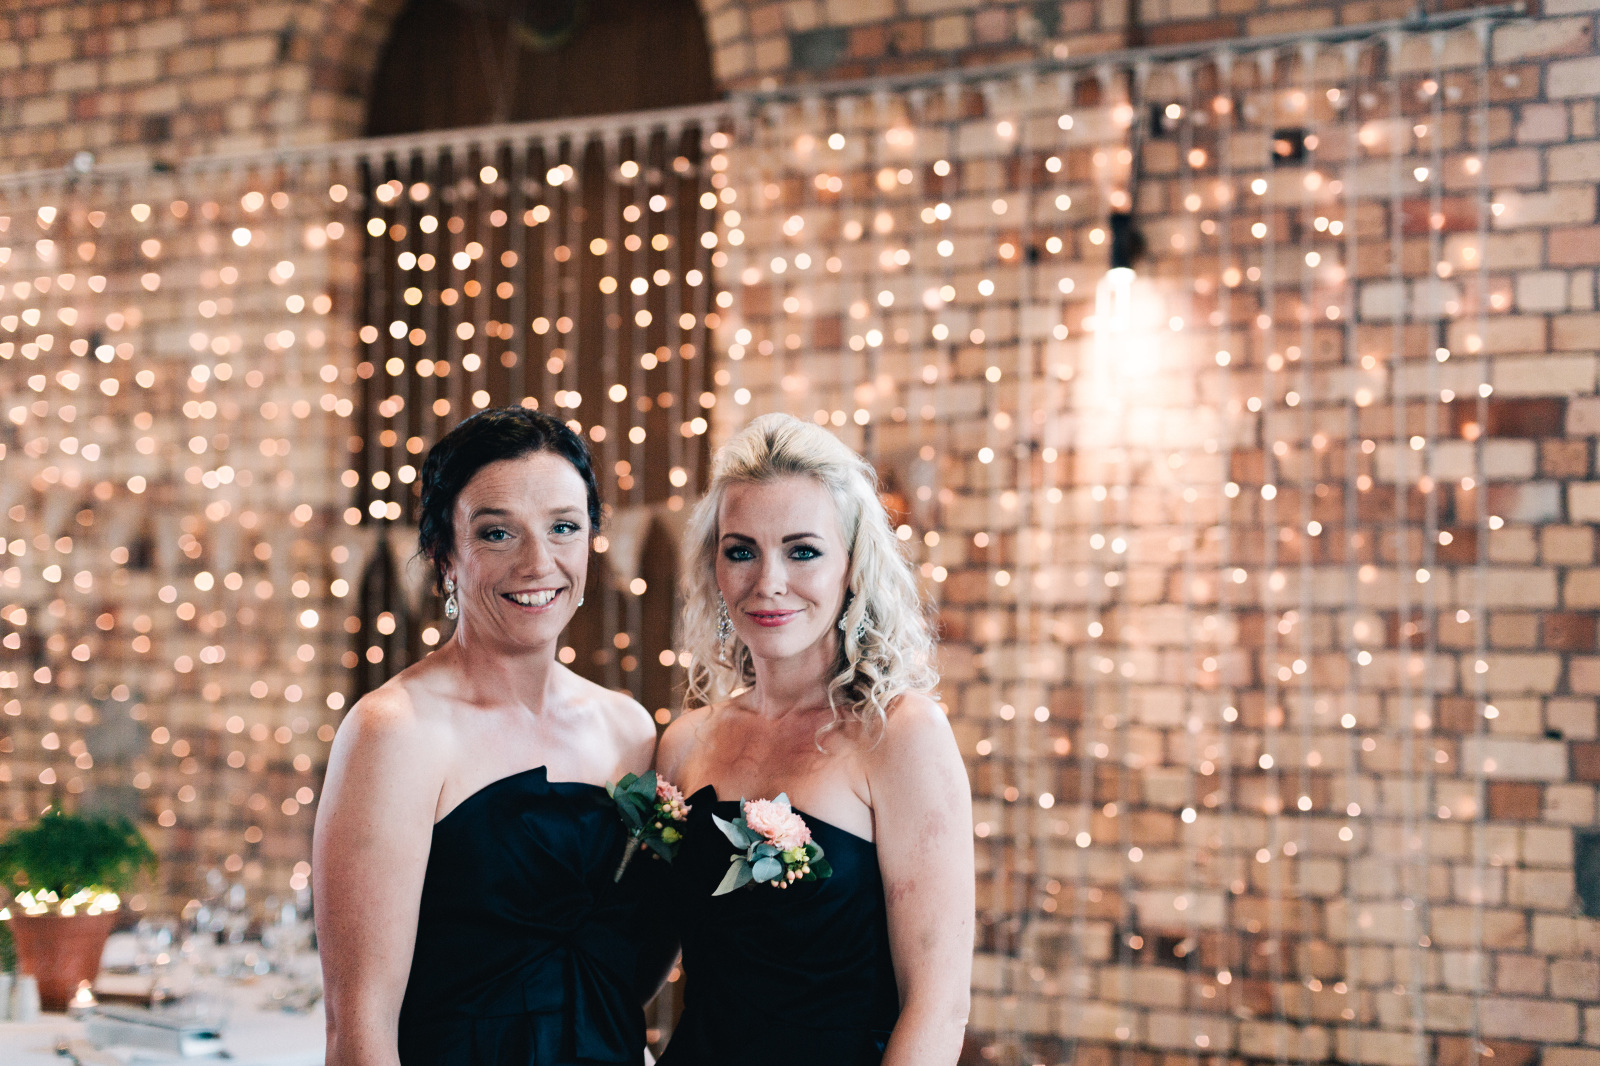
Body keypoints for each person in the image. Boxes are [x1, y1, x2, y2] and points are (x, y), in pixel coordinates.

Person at [313, 407, 661, 1066]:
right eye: (498, 533)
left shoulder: (628, 729)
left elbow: (621, 972)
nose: (538, 562)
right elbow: (357, 1031)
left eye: (563, 527)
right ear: (444, 555)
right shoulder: (396, 731)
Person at [655, 413, 973, 1066]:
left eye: (802, 551)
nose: (768, 581)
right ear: (715, 566)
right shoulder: (684, 744)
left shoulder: (899, 734)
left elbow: (938, 1006)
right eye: (741, 551)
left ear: (851, 568)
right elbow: (641, 960)